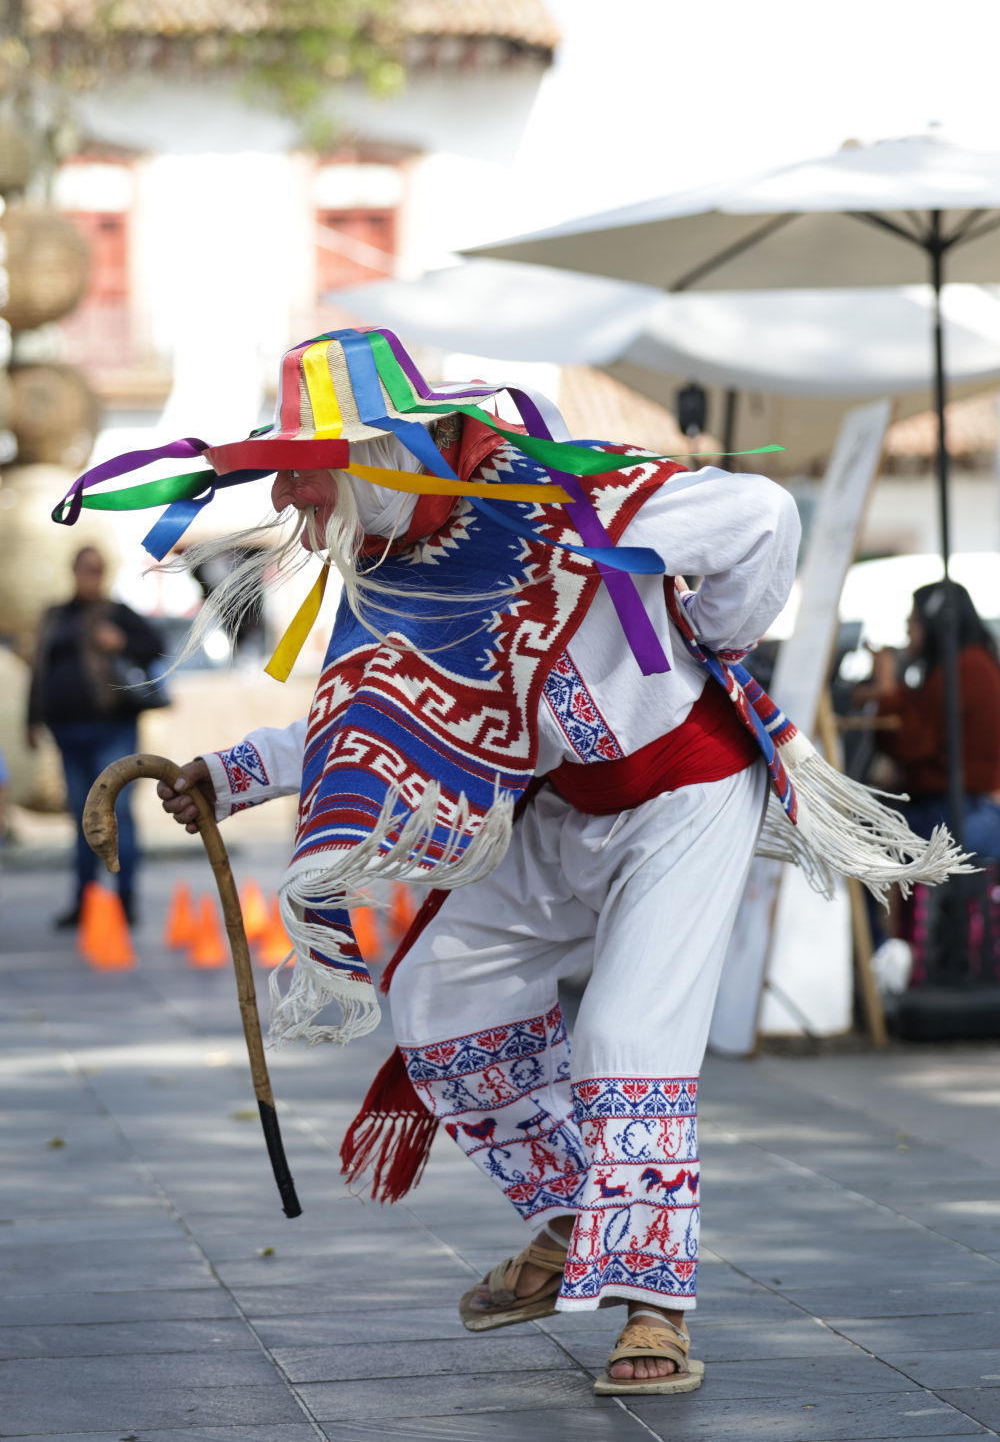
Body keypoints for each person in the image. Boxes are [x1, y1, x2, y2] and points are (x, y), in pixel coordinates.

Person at [54, 329, 961, 1397]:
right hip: (552, 808)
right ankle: (578, 1219)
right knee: (441, 992)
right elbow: (361, 714)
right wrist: (229, 771)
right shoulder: (392, 568)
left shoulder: (565, 502)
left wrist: (712, 634)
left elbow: (761, 517)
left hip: (686, 794)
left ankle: (654, 1304)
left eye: (305, 473)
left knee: (627, 1033)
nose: (291, 500)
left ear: (381, 454)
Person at [27, 545, 164, 925]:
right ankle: (86, 902)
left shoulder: (117, 613)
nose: (92, 576)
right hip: (68, 733)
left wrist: (121, 642)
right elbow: (39, 670)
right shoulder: (56, 616)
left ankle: (124, 901)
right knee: (82, 818)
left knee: (118, 814)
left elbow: (156, 646)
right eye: (87, 569)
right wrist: (31, 721)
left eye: (98, 569)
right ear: (74, 571)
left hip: (112, 730)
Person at [867, 580, 1000, 860]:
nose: (907, 628)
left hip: (961, 811)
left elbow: (909, 744)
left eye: (914, 620)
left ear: (935, 624)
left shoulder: (963, 669)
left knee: (864, 839)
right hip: (962, 805)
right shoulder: (969, 664)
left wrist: (887, 687)